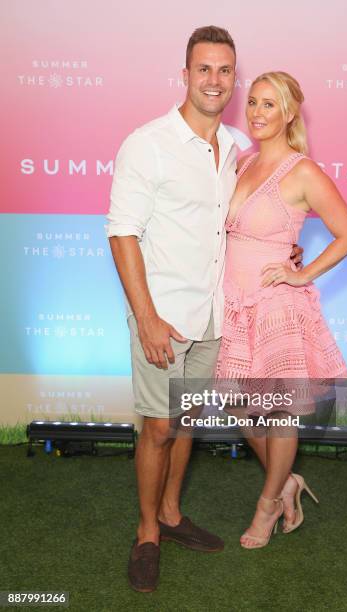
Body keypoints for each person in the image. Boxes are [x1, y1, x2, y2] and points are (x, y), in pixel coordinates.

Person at [107, 27, 305, 592]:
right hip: (163, 315)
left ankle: (171, 514)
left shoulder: (237, 147)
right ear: (185, 75)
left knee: (187, 422)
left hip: (213, 315)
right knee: (159, 427)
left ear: (232, 78)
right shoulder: (149, 143)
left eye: (225, 71)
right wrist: (145, 317)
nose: (215, 81)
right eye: (204, 70)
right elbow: (122, 233)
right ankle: (147, 531)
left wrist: (283, 250)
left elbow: (247, 221)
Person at [216, 71, 347, 549]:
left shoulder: (302, 171)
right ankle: (289, 483)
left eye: (269, 105)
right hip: (234, 304)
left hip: (276, 306)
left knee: (278, 415)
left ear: (289, 113)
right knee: (240, 409)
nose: (257, 113)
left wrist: (301, 272)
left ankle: (267, 506)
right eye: (253, 103)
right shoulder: (241, 163)